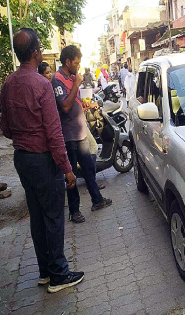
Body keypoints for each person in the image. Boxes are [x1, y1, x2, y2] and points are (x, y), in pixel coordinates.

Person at [0, 28, 84, 293]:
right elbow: (54, 132)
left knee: (37, 217)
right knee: (54, 217)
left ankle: (45, 272)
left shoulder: (8, 84)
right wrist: (67, 170)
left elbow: (5, 128)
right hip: (43, 160)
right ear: (36, 52)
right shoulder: (41, 85)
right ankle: (59, 274)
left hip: (22, 160)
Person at [52, 45, 112, 224]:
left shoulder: (71, 77)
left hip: (80, 133)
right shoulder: (57, 80)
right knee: (71, 175)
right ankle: (74, 211)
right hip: (69, 135)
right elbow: (64, 106)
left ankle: (97, 200)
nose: (78, 67)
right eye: (76, 63)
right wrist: (77, 84)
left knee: (89, 168)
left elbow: (75, 102)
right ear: (67, 61)